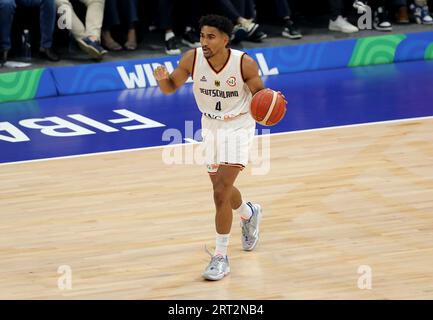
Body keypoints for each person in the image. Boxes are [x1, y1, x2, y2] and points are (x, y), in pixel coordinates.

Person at [154, 14, 283, 281]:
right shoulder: (191, 59)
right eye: (202, 35)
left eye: (210, 36)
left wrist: (271, 105)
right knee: (220, 189)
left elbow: (262, 99)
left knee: (220, 191)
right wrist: (161, 79)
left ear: (226, 39)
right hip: (210, 126)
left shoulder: (244, 64)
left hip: (238, 126)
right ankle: (249, 213)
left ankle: (221, 256)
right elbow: (170, 87)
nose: (204, 41)